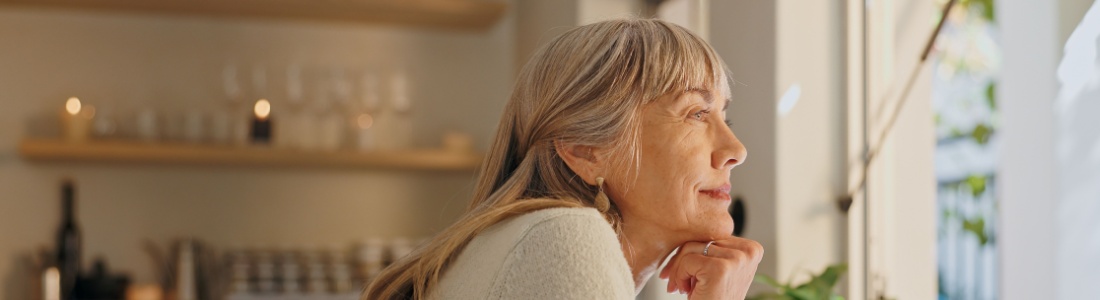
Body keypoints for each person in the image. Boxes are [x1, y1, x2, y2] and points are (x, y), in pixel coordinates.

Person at [364, 18, 762, 299]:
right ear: (586, 150)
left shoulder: (531, 239)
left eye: (724, 118)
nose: (736, 151)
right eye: (696, 114)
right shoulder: (564, 236)